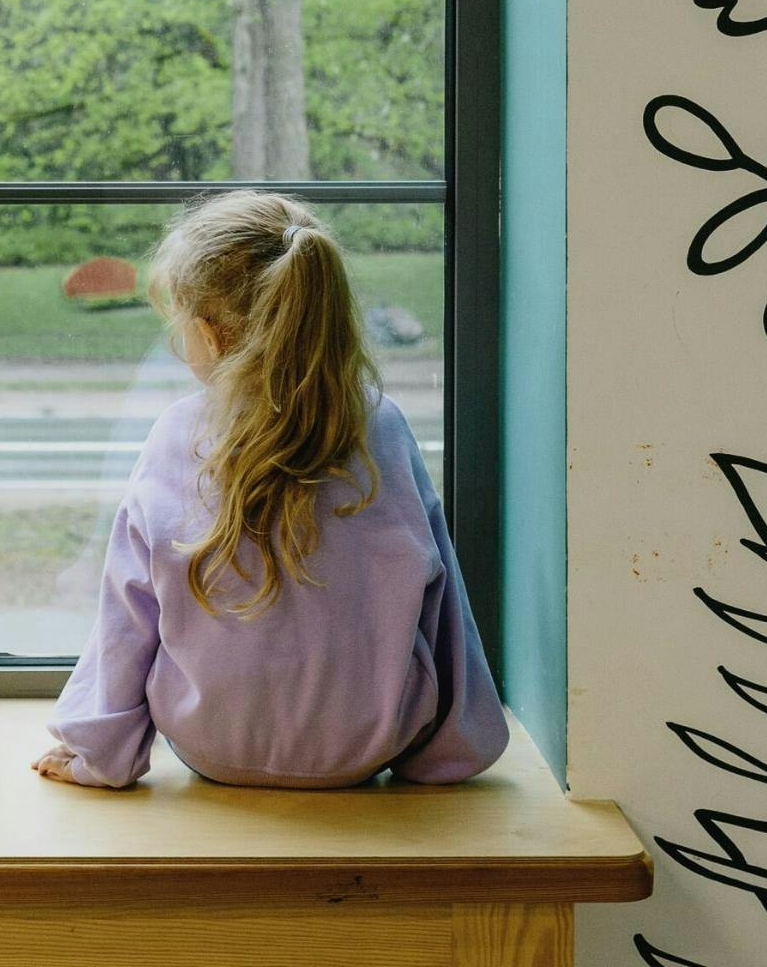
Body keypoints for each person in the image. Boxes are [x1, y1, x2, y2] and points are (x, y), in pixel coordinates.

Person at [31, 190, 507, 790]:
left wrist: (99, 753)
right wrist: (448, 754)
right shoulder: (381, 427)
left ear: (210, 333)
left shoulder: (178, 432)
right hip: (369, 746)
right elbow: (440, 599)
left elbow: (128, 615)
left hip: (211, 745)